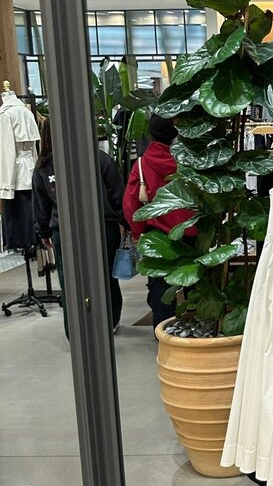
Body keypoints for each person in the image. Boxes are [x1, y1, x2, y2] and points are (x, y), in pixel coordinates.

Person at [32, 117, 125, 338]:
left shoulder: (44, 167)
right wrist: (124, 222)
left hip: (64, 231)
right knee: (106, 277)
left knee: (69, 282)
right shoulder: (99, 159)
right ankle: (110, 322)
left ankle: (74, 331)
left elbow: (41, 205)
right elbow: (118, 195)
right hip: (103, 227)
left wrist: (44, 232)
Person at [123, 114, 196, 330]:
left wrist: (137, 233)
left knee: (160, 288)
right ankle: (197, 331)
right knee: (193, 282)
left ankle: (163, 333)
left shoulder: (142, 165)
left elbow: (131, 204)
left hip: (158, 237)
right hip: (190, 232)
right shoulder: (186, 162)